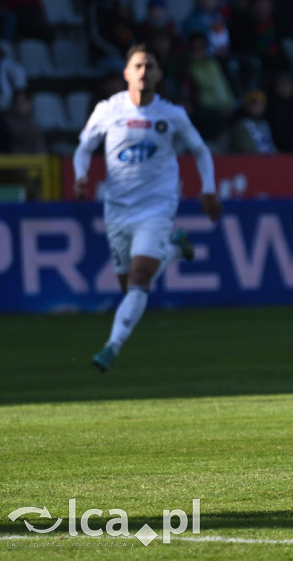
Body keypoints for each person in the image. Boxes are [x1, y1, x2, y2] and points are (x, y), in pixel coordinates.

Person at [74, 44, 223, 372]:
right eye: (138, 66)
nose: (143, 72)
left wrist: (209, 189)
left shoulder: (172, 115)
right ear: (126, 73)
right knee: (130, 287)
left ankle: (111, 347)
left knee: (140, 278)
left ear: (158, 73)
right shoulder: (108, 110)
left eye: (150, 66)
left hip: (156, 207)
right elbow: (84, 147)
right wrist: (81, 176)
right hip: (116, 211)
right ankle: (174, 249)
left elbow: (200, 151)